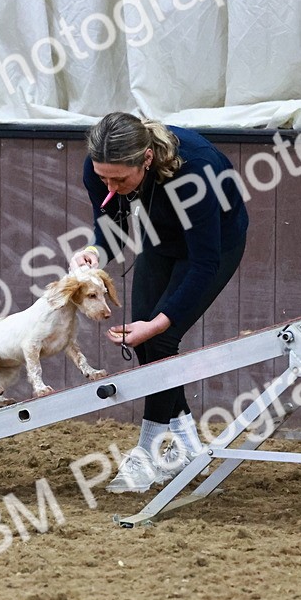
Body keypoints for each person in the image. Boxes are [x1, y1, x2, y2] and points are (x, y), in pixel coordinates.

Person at [70, 112, 248, 493]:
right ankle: (187, 447)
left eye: (120, 179)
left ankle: (147, 452)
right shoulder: (101, 167)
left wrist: (160, 322)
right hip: (160, 238)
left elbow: (205, 261)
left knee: (159, 337)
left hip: (215, 244)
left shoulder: (196, 168)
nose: (110, 186)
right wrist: (94, 252)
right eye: (103, 178)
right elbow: (113, 228)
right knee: (144, 343)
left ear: (147, 159)